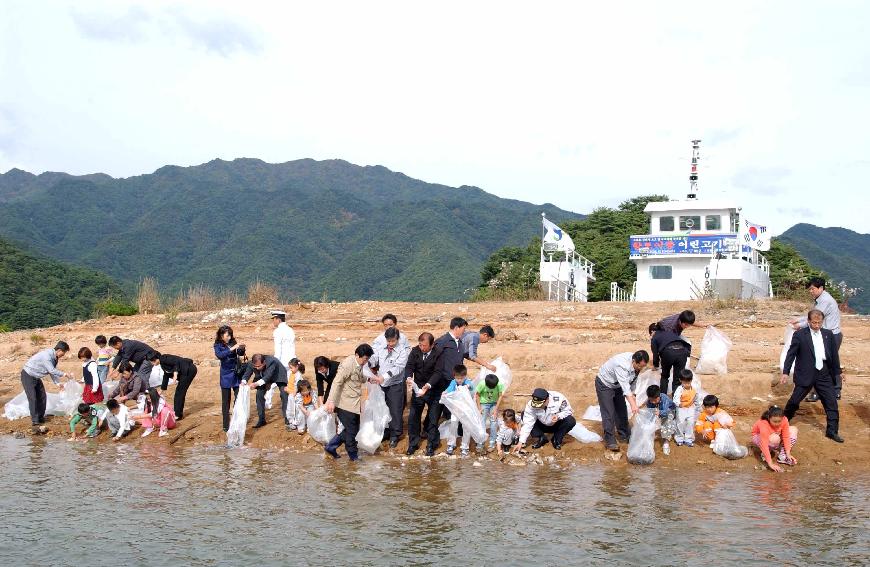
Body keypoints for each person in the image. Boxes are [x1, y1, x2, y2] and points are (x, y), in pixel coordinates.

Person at [781, 309, 843, 443]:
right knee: (794, 401)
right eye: (814, 323)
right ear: (808, 321)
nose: (816, 325)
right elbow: (791, 354)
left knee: (831, 403)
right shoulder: (800, 335)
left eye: (819, 323)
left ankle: (832, 431)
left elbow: (834, 355)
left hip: (824, 373)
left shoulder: (828, 334)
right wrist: (785, 372)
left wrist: (838, 372)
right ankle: (781, 424)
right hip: (806, 373)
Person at [418, 317, 467, 456]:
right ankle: (427, 431)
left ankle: (454, 430)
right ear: (456, 327)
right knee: (436, 407)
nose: (464, 331)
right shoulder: (443, 341)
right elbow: (434, 359)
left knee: (449, 407)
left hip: (454, 381)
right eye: (463, 329)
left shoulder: (460, 343)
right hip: (442, 381)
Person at [791, 277, 844, 401]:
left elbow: (815, 318)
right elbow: (811, 315)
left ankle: (834, 390)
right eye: (810, 289)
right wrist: (798, 320)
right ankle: (822, 391)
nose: (811, 291)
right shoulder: (820, 299)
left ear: (821, 288)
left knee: (829, 362)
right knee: (822, 361)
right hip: (825, 334)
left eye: (812, 289)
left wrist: (800, 325)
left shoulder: (825, 300)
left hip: (831, 335)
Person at [324, 344, 377, 461]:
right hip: (344, 403)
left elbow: (359, 377)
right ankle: (353, 457)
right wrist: (331, 401)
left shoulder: (360, 363)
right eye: (365, 359)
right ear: (357, 355)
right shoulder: (347, 364)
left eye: (367, 359)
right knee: (352, 432)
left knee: (353, 428)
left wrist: (368, 379)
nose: (366, 361)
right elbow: (337, 382)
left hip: (354, 403)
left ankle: (331, 447)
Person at [594, 350, 649, 451]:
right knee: (609, 412)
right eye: (639, 366)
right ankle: (610, 441)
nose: (640, 368)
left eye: (643, 366)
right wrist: (633, 405)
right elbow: (625, 387)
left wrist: (634, 397)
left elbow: (632, 382)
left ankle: (625, 435)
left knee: (621, 410)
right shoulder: (621, 365)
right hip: (605, 384)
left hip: (618, 385)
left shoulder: (637, 365)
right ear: (633, 361)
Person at [368, 326, 411, 448]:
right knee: (382, 408)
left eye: (393, 341)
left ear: (397, 339)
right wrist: (369, 362)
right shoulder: (381, 348)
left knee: (395, 409)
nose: (391, 343)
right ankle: (385, 431)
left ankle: (395, 434)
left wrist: (384, 377)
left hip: (395, 383)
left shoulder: (402, 351)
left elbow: (397, 368)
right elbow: (375, 359)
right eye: (388, 341)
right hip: (381, 384)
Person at [21, 341, 72, 432]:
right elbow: (51, 370)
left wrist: (57, 383)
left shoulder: (54, 357)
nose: (63, 355)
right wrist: (64, 374)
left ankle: (40, 417)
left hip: (36, 377)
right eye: (64, 352)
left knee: (42, 396)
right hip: (28, 375)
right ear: (59, 350)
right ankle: (35, 421)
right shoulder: (47, 356)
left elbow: (51, 371)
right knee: (33, 398)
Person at [404, 332, 440, 455]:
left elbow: (438, 372)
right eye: (420, 345)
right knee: (413, 416)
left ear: (432, 344)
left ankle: (431, 445)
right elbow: (409, 367)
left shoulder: (438, 353)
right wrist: (408, 377)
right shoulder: (415, 351)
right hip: (418, 389)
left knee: (433, 418)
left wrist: (428, 385)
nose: (422, 348)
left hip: (433, 389)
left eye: (425, 346)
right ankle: (413, 444)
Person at [242, 354, 290, 429]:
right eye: (255, 366)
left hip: (278, 374)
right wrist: (243, 382)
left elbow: (268, 376)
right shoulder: (251, 363)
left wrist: (256, 383)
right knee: (259, 395)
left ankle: (288, 418)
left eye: (259, 366)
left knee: (284, 395)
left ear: (264, 362)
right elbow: (247, 374)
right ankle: (261, 420)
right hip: (263, 377)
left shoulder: (272, 362)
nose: (257, 368)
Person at [214, 325, 245, 432]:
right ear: (222, 335)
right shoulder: (217, 345)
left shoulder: (233, 341)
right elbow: (220, 355)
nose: (229, 337)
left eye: (230, 335)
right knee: (225, 401)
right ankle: (226, 425)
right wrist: (232, 348)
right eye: (227, 335)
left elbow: (240, 353)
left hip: (236, 373)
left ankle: (237, 420)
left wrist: (241, 349)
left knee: (238, 398)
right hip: (226, 375)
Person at [751, 405, 798, 472]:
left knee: (793, 429)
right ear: (769, 418)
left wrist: (788, 454)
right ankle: (766, 454)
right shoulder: (763, 423)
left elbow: (786, 436)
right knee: (774, 438)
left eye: (779, 421)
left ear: (783, 418)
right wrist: (770, 463)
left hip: (775, 434)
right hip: (759, 437)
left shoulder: (784, 419)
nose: (777, 424)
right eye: (775, 421)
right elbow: (764, 444)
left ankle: (783, 455)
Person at [651, 325, 691, 396]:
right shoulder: (670, 332)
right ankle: (676, 400)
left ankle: (663, 398)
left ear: (652, 331)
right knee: (677, 379)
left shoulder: (655, 337)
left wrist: (656, 365)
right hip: (682, 352)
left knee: (665, 376)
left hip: (668, 353)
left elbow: (655, 355)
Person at [268, 310, 296, 410]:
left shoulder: (277, 331)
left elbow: (278, 349)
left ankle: (268, 399)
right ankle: (290, 406)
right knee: (290, 384)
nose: (273, 322)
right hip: (292, 361)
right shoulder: (290, 330)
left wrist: (274, 362)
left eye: (274, 319)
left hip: (282, 362)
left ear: (278, 319)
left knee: (277, 382)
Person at [444, 364, 474, 457]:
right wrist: (445, 392)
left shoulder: (468, 382)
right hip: (456, 408)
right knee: (453, 423)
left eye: (461, 378)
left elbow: (472, 387)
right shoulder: (453, 382)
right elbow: (449, 389)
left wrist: (468, 386)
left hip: (466, 409)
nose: (459, 380)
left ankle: (465, 447)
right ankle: (451, 444)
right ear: (454, 376)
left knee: (466, 426)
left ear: (465, 376)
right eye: (457, 378)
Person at [158, 353, 198, 420]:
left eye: (151, 361)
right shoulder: (162, 363)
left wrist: (175, 374)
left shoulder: (164, 359)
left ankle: (178, 415)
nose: (151, 363)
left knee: (179, 392)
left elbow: (176, 362)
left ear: (155, 359)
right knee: (179, 392)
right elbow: (166, 375)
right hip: (184, 372)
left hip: (188, 370)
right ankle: (177, 413)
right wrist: (161, 390)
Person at [475, 373, 506, 452]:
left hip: (494, 404)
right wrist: (479, 408)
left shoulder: (499, 384)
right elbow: (477, 395)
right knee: (482, 422)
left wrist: (496, 409)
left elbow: (500, 396)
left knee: (494, 421)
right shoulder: (482, 384)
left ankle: (492, 443)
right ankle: (480, 443)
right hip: (483, 403)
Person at [645, 384, 676, 455]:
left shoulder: (665, 398)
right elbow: (649, 411)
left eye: (654, 400)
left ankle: (666, 441)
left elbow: (666, 411)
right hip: (658, 411)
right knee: (649, 420)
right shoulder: (649, 401)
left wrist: (660, 412)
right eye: (651, 400)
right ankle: (649, 437)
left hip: (670, 411)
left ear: (659, 397)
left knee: (666, 420)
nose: (652, 402)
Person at [672, 370, 701, 447]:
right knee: (680, 423)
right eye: (684, 383)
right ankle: (679, 438)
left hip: (691, 408)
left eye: (688, 383)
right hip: (681, 409)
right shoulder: (679, 389)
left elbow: (696, 398)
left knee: (690, 423)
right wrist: (678, 403)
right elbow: (676, 398)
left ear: (691, 381)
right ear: (680, 381)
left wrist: (698, 407)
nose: (687, 385)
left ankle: (688, 439)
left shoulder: (693, 389)